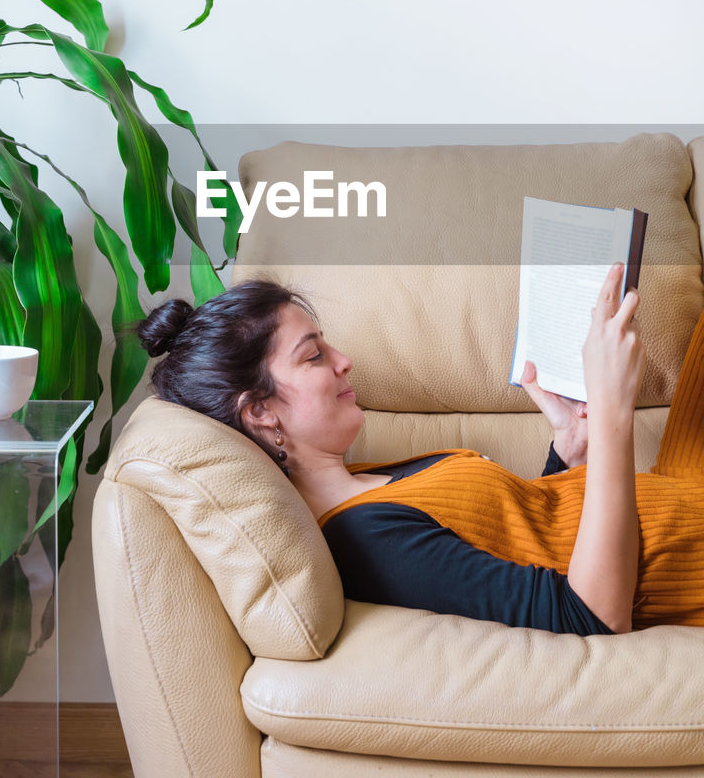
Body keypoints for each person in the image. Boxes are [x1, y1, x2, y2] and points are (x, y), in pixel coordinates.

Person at [137, 265, 704, 636]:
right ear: (260, 411)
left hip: (676, 487)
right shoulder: (366, 540)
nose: (344, 362)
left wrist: (570, 453)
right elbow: (590, 617)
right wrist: (611, 414)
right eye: (313, 356)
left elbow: (530, 537)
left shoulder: (364, 481)